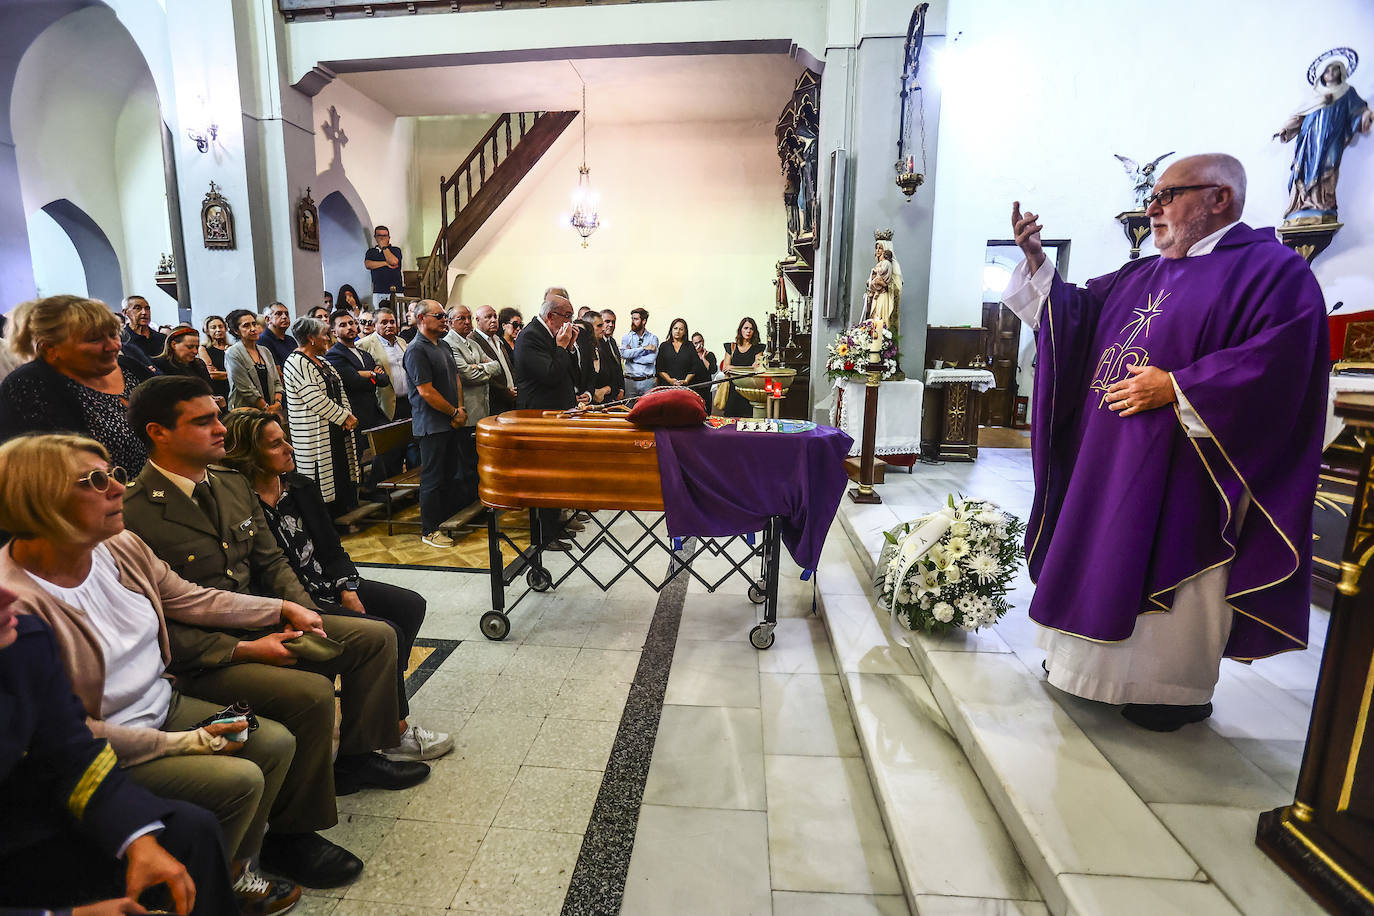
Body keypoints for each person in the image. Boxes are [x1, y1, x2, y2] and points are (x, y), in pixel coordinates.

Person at [1003, 153, 1327, 731]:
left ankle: (1166, 691)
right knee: (1096, 552)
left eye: (1168, 195)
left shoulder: (1272, 271)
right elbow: (1074, 316)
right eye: (1153, 195)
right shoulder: (1139, 274)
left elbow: (1281, 360)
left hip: (1190, 469)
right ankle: (1078, 668)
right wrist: (1036, 261)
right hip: (1105, 459)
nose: (1153, 207)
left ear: (1219, 198)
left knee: (1174, 568)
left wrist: (1178, 386)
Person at [121, 376, 430, 887]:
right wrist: (245, 648)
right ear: (158, 432)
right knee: (310, 694)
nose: (220, 429)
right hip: (205, 654)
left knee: (376, 636)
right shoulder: (134, 511)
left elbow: (272, 562)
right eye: (203, 421)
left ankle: (356, 758)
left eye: (218, 416)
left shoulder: (229, 482)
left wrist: (306, 614)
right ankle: (292, 834)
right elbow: (161, 618)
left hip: (261, 614)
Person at [0, 435, 300, 914]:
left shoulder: (118, 545)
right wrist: (184, 743)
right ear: (39, 499)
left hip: (163, 700)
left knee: (276, 743)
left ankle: (233, 867)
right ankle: (190, 886)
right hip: (114, 740)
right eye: (95, 480)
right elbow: (66, 736)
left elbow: (188, 598)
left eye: (115, 474)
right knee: (239, 779)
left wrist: (278, 608)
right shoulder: (15, 607)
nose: (119, 487)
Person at [221, 410, 450, 763]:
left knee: (409, 605)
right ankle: (392, 728)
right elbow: (263, 573)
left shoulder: (298, 487)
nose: (289, 448)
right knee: (386, 633)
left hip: (326, 584)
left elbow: (331, 548)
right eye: (275, 444)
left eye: (285, 438)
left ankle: (375, 701)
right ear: (250, 454)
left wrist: (347, 588)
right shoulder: (239, 504)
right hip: (293, 601)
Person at [0, 585, 236, 915]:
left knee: (190, 831)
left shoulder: (24, 641)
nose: (8, 594)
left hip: (25, 819)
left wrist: (136, 835)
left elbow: (72, 754)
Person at [0, 295, 149, 473]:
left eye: (113, 335)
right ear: (50, 348)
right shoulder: (30, 384)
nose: (113, 346)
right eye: (94, 339)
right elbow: (52, 470)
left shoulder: (128, 367)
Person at [514, 295, 588, 551]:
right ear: (551, 316)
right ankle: (544, 534)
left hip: (557, 416)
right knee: (543, 477)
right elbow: (549, 375)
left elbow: (573, 375)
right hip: (538, 418)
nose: (570, 322)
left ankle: (556, 525)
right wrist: (561, 347)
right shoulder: (530, 336)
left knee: (556, 474)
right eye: (567, 316)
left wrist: (569, 348)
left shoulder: (554, 337)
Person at [1275, 52, 1373, 223]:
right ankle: (1302, 204)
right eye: (1327, 70)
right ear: (1321, 74)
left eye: (1335, 69)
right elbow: (1299, 117)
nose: (1331, 73)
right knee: (1304, 169)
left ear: (1341, 71)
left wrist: (1366, 115)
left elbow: (1359, 111)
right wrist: (1285, 129)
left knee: (1330, 165)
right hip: (1310, 139)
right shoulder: (1316, 95)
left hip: (1332, 138)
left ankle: (1323, 203)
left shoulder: (1347, 92)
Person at [403, 300, 467, 548]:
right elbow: (426, 391)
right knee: (432, 478)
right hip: (431, 425)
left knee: (450, 474)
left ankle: (445, 520)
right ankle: (429, 530)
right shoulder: (416, 350)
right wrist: (453, 412)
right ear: (421, 318)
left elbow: (456, 378)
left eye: (444, 316)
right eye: (439, 316)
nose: (444, 320)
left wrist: (460, 409)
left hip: (450, 421)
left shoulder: (443, 345)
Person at [281, 317, 359, 516]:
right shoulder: (295, 362)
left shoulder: (323, 361)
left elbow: (340, 389)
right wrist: (344, 417)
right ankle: (328, 521)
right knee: (322, 482)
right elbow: (314, 397)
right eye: (324, 334)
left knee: (340, 475)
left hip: (336, 429)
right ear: (311, 338)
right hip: (315, 433)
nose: (328, 338)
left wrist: (348, 415)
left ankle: (343, 516)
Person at [325, 310, 390, 491]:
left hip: (372, 409)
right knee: (356, 455)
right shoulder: (334, 355)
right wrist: (373, 375)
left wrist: (368, 376)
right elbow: (352, 381)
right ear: (334, 331)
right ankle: (361, 491)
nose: (350, 327)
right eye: (343, 325)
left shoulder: (364, 354)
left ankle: (374, 486)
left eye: (352, 323)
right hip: (354, 411)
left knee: (389, 442)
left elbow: (384, 380)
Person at [444, 304, 502, 506]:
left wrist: (479, 367)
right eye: (461, 318)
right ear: (450, 322)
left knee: (479, 461)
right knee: (466, 463)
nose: (467, 322)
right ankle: (468, 503)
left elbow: (496, 366)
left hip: (482, 411)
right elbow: (466, 375)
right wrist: (482, 369)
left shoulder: (472, 343)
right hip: (466, 412)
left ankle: (479, 498)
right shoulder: (449, 344)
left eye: (469, 318)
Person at [224, 309, 283, 416]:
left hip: (271, 409)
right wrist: (266, 409)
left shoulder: (265, 351)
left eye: (254, 324)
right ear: (236, 331)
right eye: (246, 326)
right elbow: (246, 389)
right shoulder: (233, 353)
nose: (253, 329)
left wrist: (277, 403)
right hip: (246, 413)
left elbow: (276, 381)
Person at [357, 307, 410, 422]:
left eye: (392, 322)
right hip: (385, 403)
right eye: (384, 322)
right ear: (374, 325)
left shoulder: (402, 342)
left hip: (409, 400)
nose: (389, 325)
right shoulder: (363, 345)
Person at [153, 327, 221, 411]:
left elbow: (210, 390)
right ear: (173, 345)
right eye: (190, 347)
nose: (195, 351)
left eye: (197, 347)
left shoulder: (199, 364)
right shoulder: (159, 365)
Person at [721, 316, 765, 417]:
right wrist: (748, 368)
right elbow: (725, 368)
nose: (748, 331)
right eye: (746, 328)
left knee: (748, 418)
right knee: (731, 418)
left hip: (749, 390)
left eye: (751, 329)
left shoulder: (757, 348)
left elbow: (757, 368)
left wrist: (733, 367)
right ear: (740, 330)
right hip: (733, 388)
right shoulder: (731, 347)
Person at [577, 312, 622, 404]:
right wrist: (590, 394)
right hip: (582, 404)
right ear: (589, 328)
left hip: (604, 404)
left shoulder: (604, 349)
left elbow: (614, 379)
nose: (603, 328)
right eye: (599, 326)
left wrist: (605, 390)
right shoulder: (579, 352)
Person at [619, 307, 658, 400]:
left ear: (644, 321)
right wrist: (643, 348)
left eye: (636, 319)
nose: (633, 321)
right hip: (630, 381)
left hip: (647, 381)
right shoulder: (626, 337)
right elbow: (624, 354)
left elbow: (650, 359)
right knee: (629, 408)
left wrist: (631, 356)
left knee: (648, 407)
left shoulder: (653, 338)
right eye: (632, 319)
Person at [654, 317, 704, 389]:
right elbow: (659, 368)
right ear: (671, 330)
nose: (677, 331)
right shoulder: (664, 346)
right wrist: (670, 380)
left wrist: (686, 381)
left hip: (686, 386)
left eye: (681, 329)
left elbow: (695, 367)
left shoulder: (690, 345)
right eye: (675, 328)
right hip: (667, 386)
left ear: (685, 331)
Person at [121, 296, 166, 362]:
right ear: (125, 312)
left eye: (147, 308)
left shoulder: (162, 339)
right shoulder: (120, 340)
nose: (144, 312)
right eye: (138, 308)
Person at [364, 226, 403, 300]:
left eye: (384, 236)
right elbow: (368, 264)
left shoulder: (396, 250)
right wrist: (385, 263)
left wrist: (384, 248)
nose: (382, 238)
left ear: (389, 238)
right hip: (378, 291)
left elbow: (394, 262)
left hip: (396, 291)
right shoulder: (371, 252)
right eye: (379, 235)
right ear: (375, 237)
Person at [199, 316, 231, 402]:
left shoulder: (232, 348)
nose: (218, 330)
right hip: (217, 391)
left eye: (221, 326)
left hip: (232, 389)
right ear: (207, 331)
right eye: (213, 327)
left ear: (225, 328)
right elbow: (212, 374)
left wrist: (222, 374)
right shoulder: (204, 348)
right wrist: (233, 374)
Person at [255, 303, 296, 371]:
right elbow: (275, 370)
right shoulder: (262, 340)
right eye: (279, 314)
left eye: (286, 314)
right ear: (268, 319)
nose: (284, 317)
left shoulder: (290, 339)